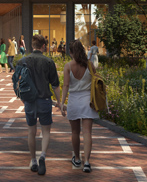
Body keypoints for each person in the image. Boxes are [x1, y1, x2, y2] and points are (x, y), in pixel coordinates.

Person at [21, 34, 61, 175]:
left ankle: (33, 160)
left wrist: (23, 98)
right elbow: (55, 85)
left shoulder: (23, 61)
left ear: (32, 45)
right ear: (43, 46)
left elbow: (18, 83)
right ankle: (42, 156)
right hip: (44, 101)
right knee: (46, 131)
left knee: (31, 131)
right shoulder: (48, 62)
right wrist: (60, 103)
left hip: (30, 101)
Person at [60, 40, 100, 173]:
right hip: (88, 101)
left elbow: (65, 86)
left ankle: (77, 159)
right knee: (87, 132)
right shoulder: (89, 65)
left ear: (70, 52)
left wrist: (62, 103)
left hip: (74, 101)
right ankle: (87, 162)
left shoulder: (68, 66)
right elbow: (96, 80)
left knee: (75, 132)